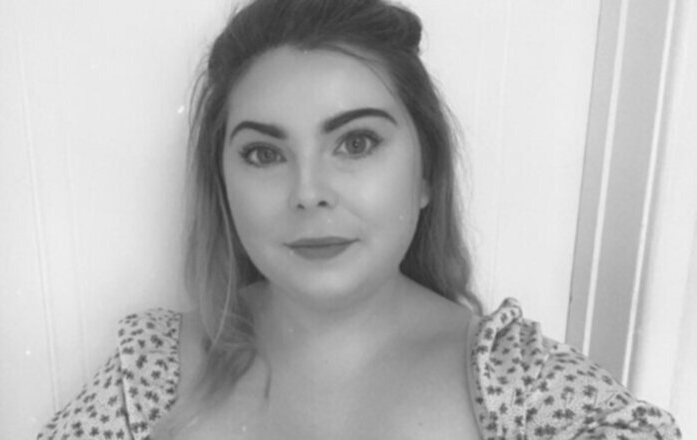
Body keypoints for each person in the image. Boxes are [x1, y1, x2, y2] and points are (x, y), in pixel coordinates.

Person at [38, 0, 681, 438]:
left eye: (356, 143)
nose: (309, 192)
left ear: (427, 174)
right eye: (263, 153)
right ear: (222, 185)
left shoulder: (533, 397)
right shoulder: (148, 375)